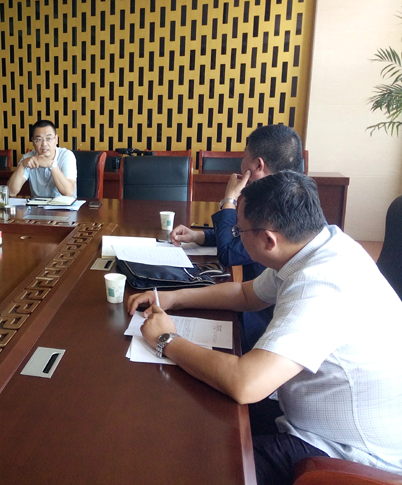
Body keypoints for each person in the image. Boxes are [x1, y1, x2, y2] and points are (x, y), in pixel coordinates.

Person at [128, 171, 402, 485]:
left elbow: (246, 383)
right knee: (195, 417)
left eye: (238, 229)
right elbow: (246, 294)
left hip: (348, 455)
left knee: (198, 462)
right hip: (314, 415)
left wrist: (166, 339)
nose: (236, 234)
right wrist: (171, 298)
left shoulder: (320, 285)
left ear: (269, 240)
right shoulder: (318, 245)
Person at [169, 124, 304, 350]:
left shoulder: (276, 211)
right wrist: (198, 236)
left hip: (262, 324)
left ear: (258, 165)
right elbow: (241, 236)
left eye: (243, 156)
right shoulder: (291, 197)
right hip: (254, 297)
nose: (240, 163)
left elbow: (229, 252)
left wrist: (230, 199)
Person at [7, 120, 77, 198]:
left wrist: (52, 165)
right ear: (33, 142)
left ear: (56, 139)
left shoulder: (66, 156)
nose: (44, 144)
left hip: (64, 205)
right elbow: (11, 192)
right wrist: (22, 165)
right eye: (39, 139)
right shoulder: (28, 158)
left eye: (49, 138)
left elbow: (68, 192)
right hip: (37, 205)